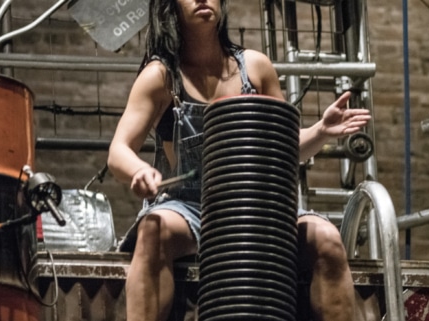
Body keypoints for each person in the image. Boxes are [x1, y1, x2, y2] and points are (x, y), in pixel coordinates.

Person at [107, 0, 372, 319]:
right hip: (191, 208)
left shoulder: (256, 68)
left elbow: (282, 150)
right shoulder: (160, 76)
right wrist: (139, 172)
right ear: (171, 7)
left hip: (260, 207)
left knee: (327, 238)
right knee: (153, 230)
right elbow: (118, 151)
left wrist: (320, 130)